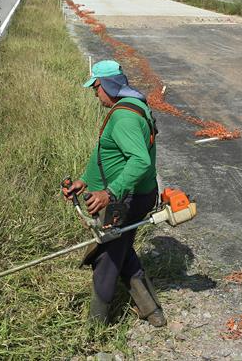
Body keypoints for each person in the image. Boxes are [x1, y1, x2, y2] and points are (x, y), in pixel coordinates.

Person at [62, 60, 166, 327]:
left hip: (125, 199)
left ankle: (95, 326)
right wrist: (85, 181)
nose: (94, 94)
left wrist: (110, 193)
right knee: (121, 248)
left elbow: (140, 162)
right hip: (128, 195)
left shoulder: (124, 117)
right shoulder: (131, 106)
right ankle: (152, 311)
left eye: (95, 87)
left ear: (107, 84)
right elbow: (112, 156)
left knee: (106, 258)